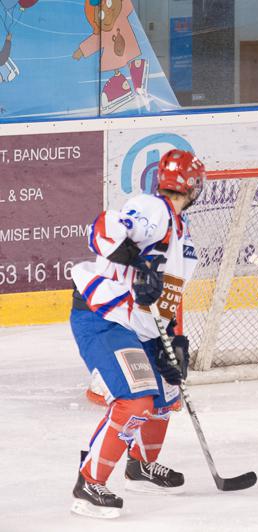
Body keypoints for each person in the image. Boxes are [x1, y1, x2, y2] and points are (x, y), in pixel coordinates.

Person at [69, 149, 205, 518]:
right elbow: (102, 229)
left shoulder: (182, 233)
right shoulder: (153, 208)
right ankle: (89, 484)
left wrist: (169, 339)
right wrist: (136, 261)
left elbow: (166, 292)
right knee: (135, 401)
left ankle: (141, 466)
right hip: (104, 317)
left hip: (140, 325)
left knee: (167, 392)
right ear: (194, 186)